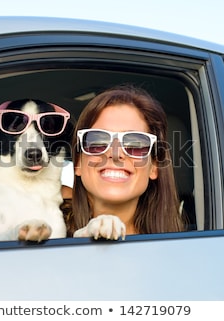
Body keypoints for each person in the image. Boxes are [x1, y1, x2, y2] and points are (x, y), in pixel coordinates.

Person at [65, 84, 185, 239]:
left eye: (135, 144)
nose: (115, 154)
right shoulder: (44, 227)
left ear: (154, 167)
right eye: (97, 141)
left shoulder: (182, 249)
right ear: (78, 163)